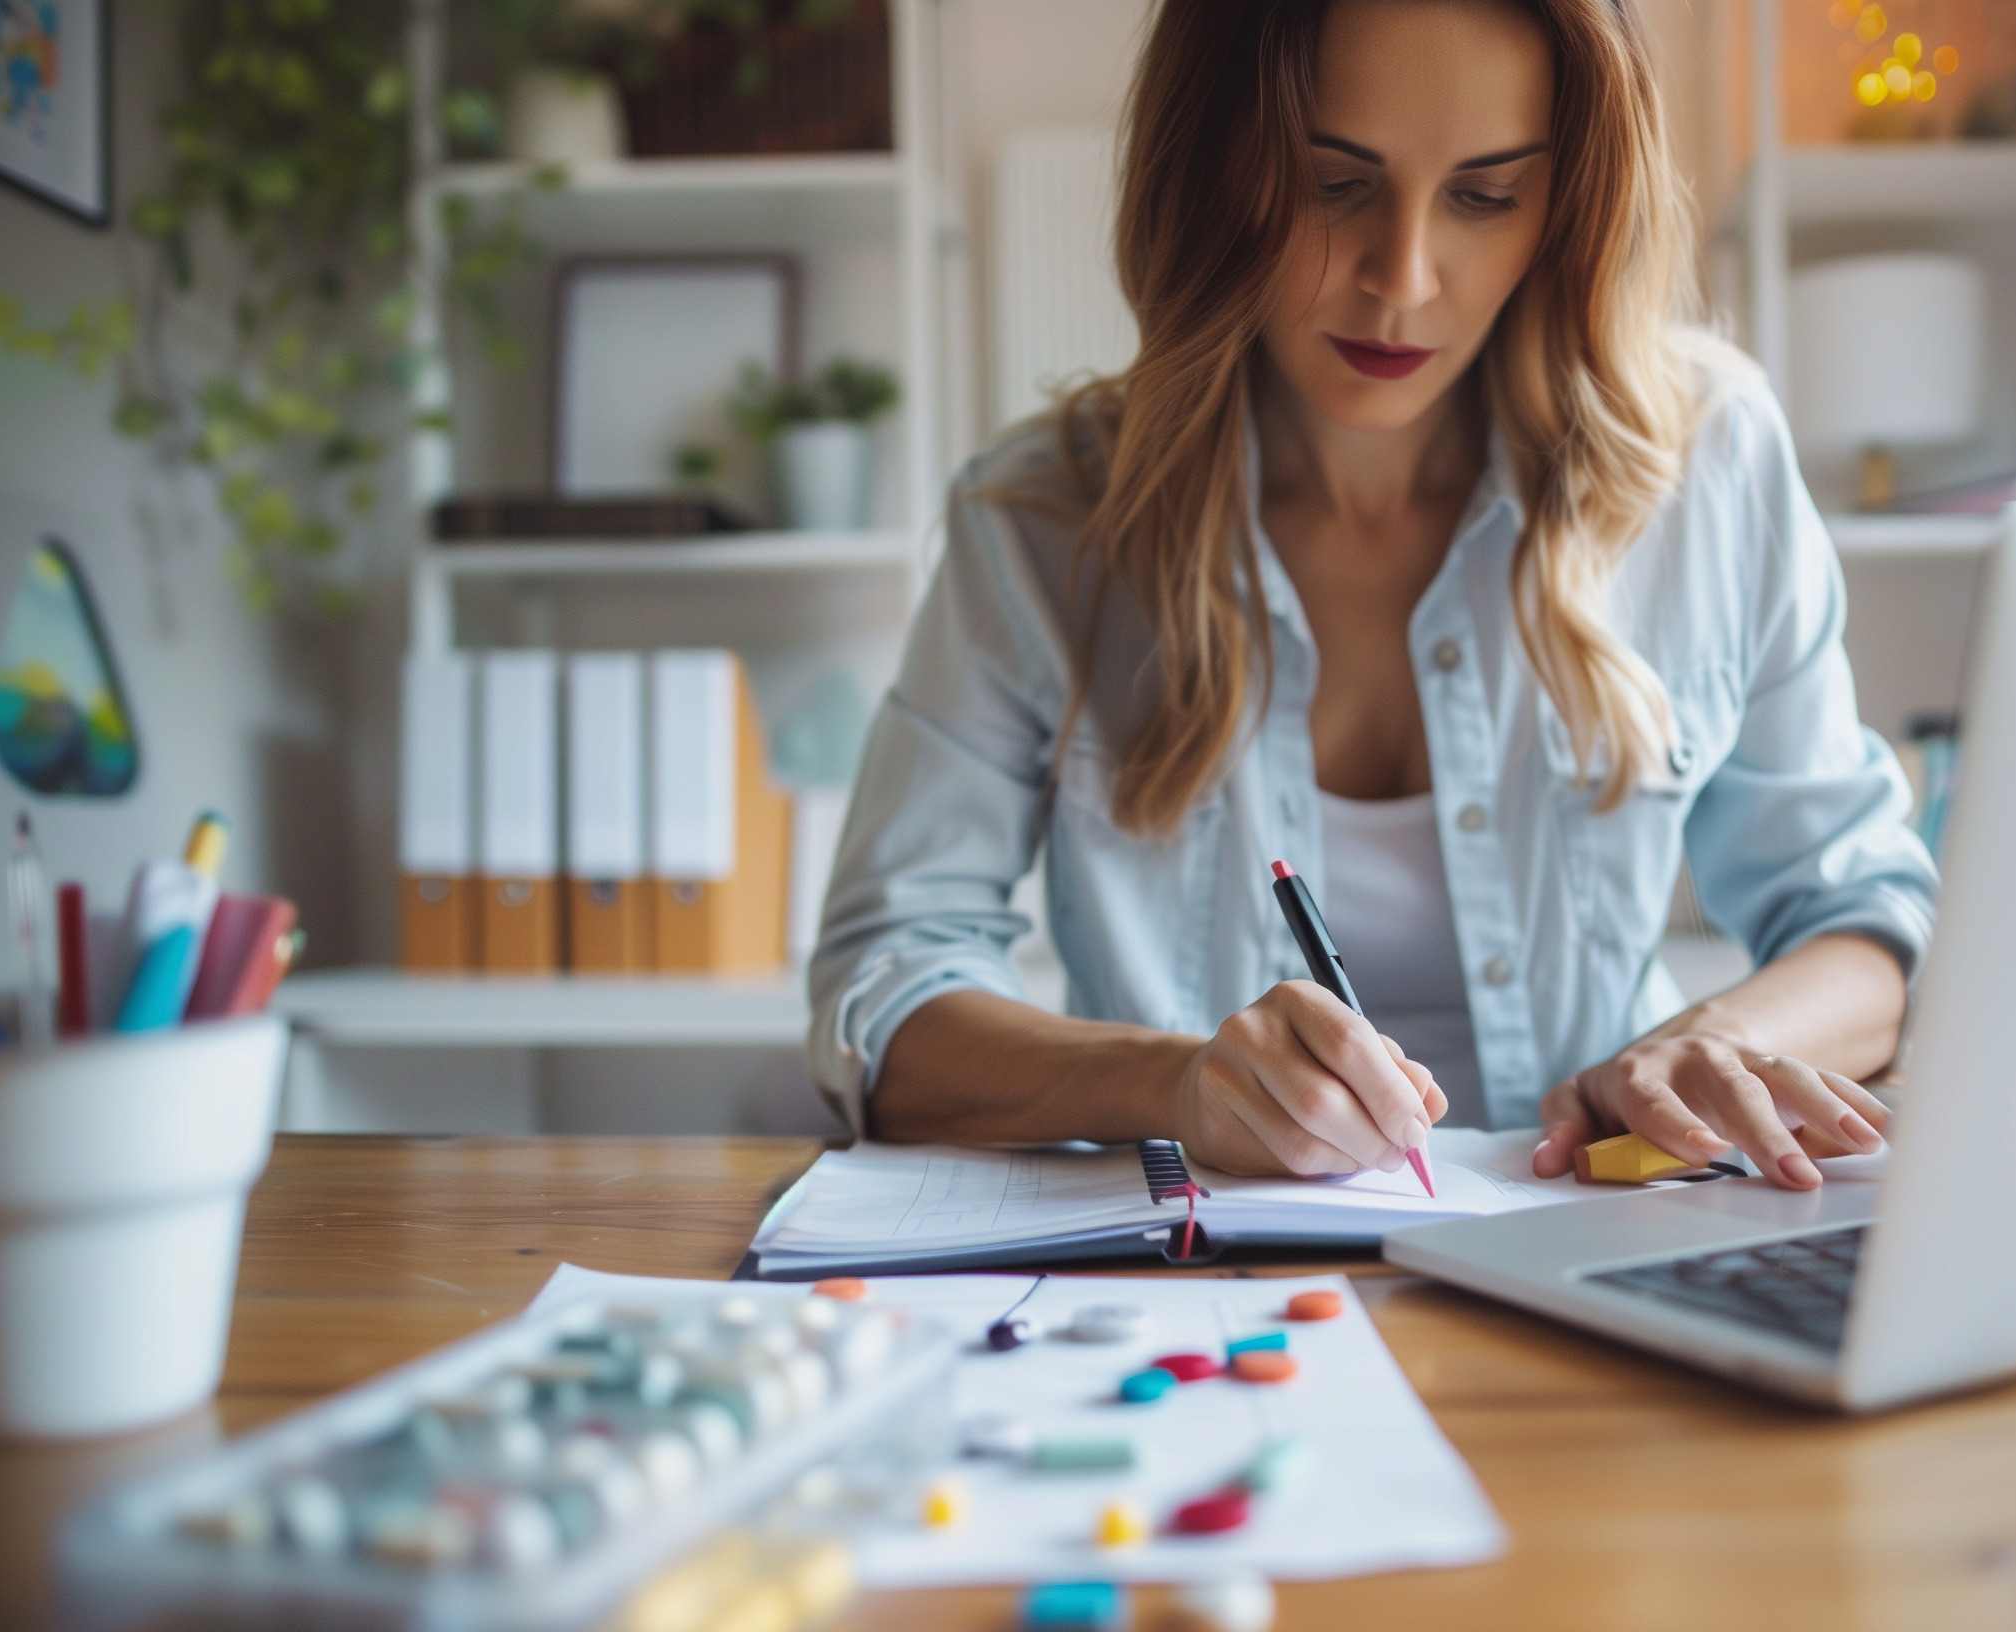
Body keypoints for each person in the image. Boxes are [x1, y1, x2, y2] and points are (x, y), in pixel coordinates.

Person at [809, 0, 1936, 1190]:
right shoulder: (1039, 524)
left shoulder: (1708, 463)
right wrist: (1176, 1083)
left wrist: (1716, 1045)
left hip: (1604, 1239)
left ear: (1567, 205)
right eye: (1331, 186)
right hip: (1198, 1284)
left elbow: (1863, 918)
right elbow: (884, 992)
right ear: (1212, 178)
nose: (1401, 279)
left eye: (1485, 195)